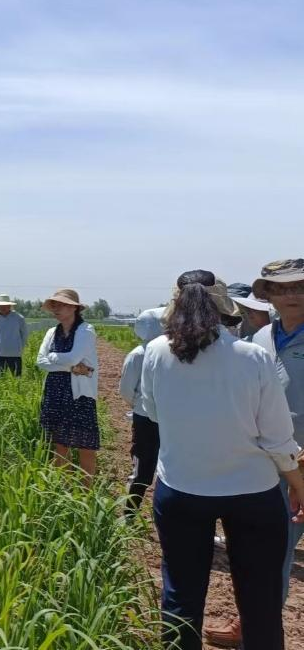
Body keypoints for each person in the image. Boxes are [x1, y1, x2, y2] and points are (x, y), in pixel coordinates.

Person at [142, 269, 304, 650]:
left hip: (182, 487)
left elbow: (151, 410)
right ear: (221, 310)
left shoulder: (156, 352)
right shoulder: (252, 355)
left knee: (181, 594)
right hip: (253, 492)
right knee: (260, 598)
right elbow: (278, 438)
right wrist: (298, 484)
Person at [206, 259, 304, 647]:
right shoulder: (257, 340)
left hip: (300, 463)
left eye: (300, 286)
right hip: (262, 464)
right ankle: (254, 625)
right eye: (283, 288)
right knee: (260, 553)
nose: (293, 294)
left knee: (274, 554)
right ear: (269, 295)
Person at [36, 288, 99, 482]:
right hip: (55, 392)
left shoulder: (85, 330)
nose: (57, 309)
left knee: (85, 445)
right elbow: (40, 361)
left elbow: (73, 357)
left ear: (74, 308)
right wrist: (73, 368)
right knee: (60, 444)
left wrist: (54, 358)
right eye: (54, 305)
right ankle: (63, 488)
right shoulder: (51, 332)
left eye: (62, 304)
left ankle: (86, 491)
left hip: (79, 394)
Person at [118, 307, 166, 515]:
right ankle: (129, 513)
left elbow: (126, 391)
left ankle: (133, 513)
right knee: (143, 468)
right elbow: (126, 389)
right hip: (149, 419)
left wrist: (138, 404)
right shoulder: (139, 354)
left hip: (150, 416)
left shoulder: (144, 353)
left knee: (148, 466)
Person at [0, 294, 28, 377]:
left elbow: (24, 334)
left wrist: (20, 348)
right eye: (0, 306)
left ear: (10, 306)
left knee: (17, 379)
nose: (2, 307)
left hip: (15, 354)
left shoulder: (19, 318)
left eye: (5, 305)